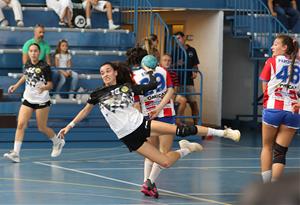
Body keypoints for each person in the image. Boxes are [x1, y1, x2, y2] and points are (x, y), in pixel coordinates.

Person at [59, 62, 241, 195]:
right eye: (102, 72)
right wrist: (69, 126)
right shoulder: (97, 94)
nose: (105, 74)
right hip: (127, 137)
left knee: (180, 130)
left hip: (141, 124)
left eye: (108, 71)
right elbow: (85, 110)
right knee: (165, 162)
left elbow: (153, 85)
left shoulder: (127, 88)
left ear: (115, 72)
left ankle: (223, 133)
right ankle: (187, 149)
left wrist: (151, 72)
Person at [3, 43, 65, 163]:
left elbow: (51, 84)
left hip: (42, 100)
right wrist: (15, 86)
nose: (33, 53)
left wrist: (44, 88)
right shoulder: (27, 64)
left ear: (39, 52)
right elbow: (26, 76)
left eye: (35, 51)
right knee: (20, 124)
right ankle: (16, 153)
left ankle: (57, 142)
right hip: (28, 99)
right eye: (31, 51)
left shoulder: (45, 67)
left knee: (41, 127)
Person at [133, 55, 176, 197]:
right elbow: (171, 91)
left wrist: (139, 119)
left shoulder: (135, 75)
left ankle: (146, 182)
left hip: (147, 115)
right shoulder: (163, 71)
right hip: (165, 113)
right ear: (156, 63)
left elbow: (136, 102)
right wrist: (159, 108)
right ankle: (149, 182)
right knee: (163, 152)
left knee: (150, 152)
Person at [259, 34, 300, 183]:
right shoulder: (299, 64)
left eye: (275, 44)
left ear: (285, 48)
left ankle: (266, 187)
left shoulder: (271, 61)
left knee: (267, 147)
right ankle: (275, 189)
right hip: (293, 112)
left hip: (273, 109)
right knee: (280, 152)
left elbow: (264, 86)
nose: (272, 47)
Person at [174, 31, 200, 125]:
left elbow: (195, 64)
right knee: (180, 103)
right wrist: (177, 64)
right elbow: (169, 65)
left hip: (189, 81)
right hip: (178, 82)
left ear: (184, 38)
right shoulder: (174, 51)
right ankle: (180, 124)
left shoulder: (192, 50)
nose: (177, 41)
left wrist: (195, 71)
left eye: (179, 38)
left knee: (193, 103)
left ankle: (197, 124)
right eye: (176, 39)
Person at [160, 53, 187, 126]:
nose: (167, 62)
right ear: (160, 62)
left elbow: (176, 87)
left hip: (171, 95)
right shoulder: (157, 73)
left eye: (169, 60)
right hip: (159, 96)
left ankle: (177, 120)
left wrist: (172, 95)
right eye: (165, 60)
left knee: (183, 100)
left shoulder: (173, 74)